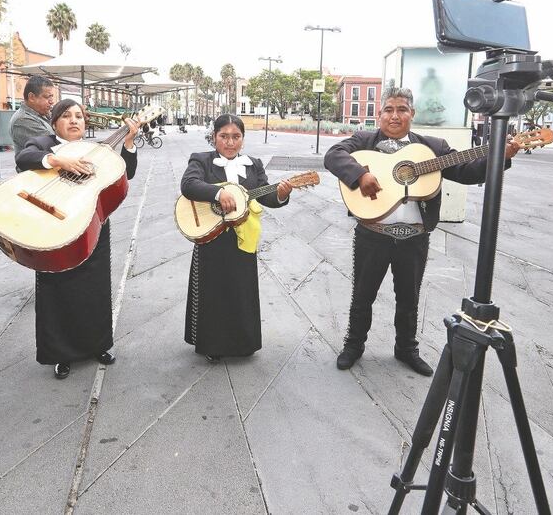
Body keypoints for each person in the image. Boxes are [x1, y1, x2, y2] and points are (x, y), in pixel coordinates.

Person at [324, 87, 520, 376]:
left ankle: (406, 349)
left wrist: (499, 157)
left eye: (402, 109)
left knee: (409, 298)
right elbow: (333, 154)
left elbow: (467, 171)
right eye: (388, 109)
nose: (394, 115)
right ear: (379, 114)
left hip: (414, 237)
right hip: (372, 233)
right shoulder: (364, 140)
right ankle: (353, 346)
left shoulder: (432, 148)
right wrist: (361, 174)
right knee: (362, 295)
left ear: (411, 114)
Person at [14, 99, 139, 379]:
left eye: (79, 116)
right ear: (55, 121)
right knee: (56, 290)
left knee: (95, 288)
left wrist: (129, 143)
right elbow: (23, 159)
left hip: (92, 223)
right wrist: (58, 160)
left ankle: (98, 345)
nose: (74, 121)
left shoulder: (95, 150)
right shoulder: (43, 142)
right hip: (54, 225)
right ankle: (61, 354)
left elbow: (126, 173)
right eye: (67, 116)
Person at [180, 114, 293, 361]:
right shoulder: (201, 160)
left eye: (236, 137)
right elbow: (188, 185)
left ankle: (244, 342)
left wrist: (281, 194)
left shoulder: (254, 164)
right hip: (211, 237)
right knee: (212, 290)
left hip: (243, 237)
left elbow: (265, 197)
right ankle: (212, 344)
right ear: (214, 137)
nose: (230, 142)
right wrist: (218, 193)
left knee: (242, 290)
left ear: (243, 138)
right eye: (224, 136)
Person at [9, 75, 57, 155]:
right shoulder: (22, 120)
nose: (51, 102)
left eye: (52, 97)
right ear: (31, 97)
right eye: (47, 97)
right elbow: (54, 146)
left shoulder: (43, 113)